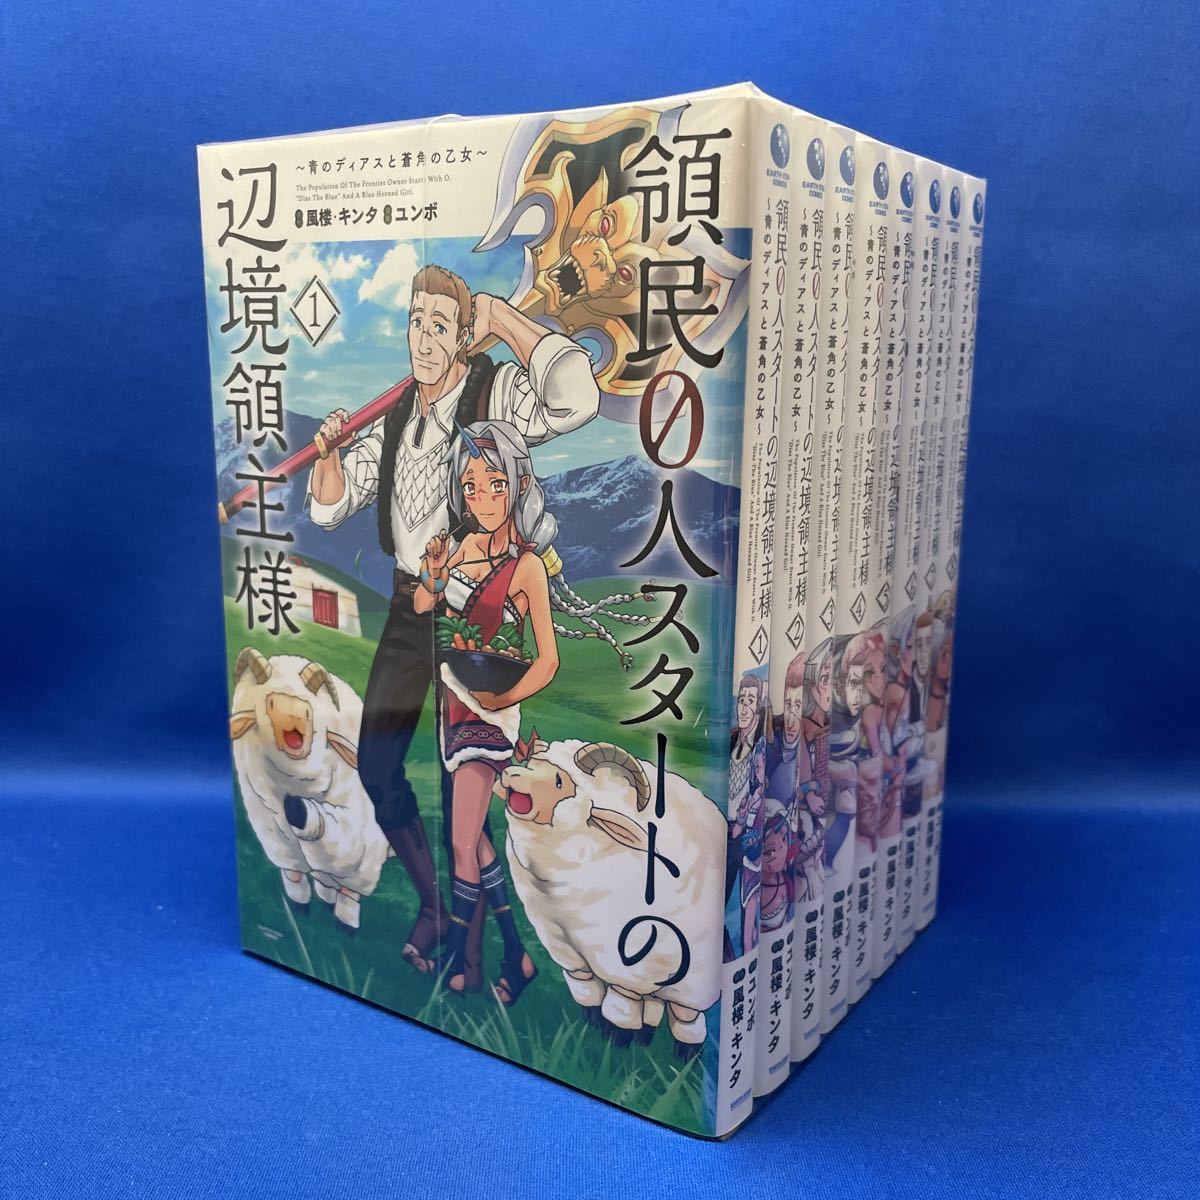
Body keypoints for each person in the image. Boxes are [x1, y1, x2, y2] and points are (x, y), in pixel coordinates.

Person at [306, 264, 599, 985]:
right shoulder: (396, 414)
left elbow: (576, 398)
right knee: (379, 765)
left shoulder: (491, 392)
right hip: (412, 605)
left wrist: (505, 319)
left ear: (466, 335)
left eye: (440, 325)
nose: (423, 338)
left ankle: (482, 951)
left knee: (460, 789)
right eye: (416, 321)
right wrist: (330, 456)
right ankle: (438, 904)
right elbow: (329, 507)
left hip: (473, 614)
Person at [415, 420, 557, 1004]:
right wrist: (433, 570)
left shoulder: (527, 567)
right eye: (471, 487)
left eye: (495, 484)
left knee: (460, 839)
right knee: (476, 843)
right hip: (453, 699)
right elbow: (424, 602)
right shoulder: (464, 546)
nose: (483, 498)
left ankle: (458, 960)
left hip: (491, 712)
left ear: (518, 485)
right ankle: (515, 955)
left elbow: (547, 660)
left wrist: (505, 698)